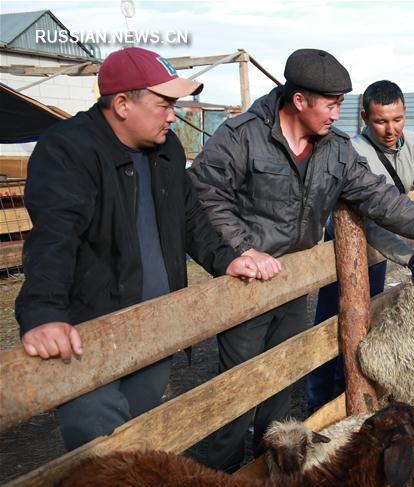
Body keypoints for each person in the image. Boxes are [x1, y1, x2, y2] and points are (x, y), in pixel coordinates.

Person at [188, 49, 414, 471]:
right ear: (300, 101)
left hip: (294, 284)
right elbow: (204, 192)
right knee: (238, 392)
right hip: (245, 284)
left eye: (340, 104)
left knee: (281, 385)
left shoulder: (334, 149)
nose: (337, 113)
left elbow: (376, 195)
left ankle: (268, 477)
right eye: (331, 104)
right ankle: (219, 484)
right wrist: (241, 247)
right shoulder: (242, 136)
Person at [14, 47, 263, 451]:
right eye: (163, 104)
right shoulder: (68, 150)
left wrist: (230, 258)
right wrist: (43, 313)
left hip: (155, 324)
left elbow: (191, 218)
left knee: (138, 435)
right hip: (90, 332)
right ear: (123, 104)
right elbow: (54, 237)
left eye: (173, 104)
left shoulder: (165, 150)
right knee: (104, 448)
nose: (172, 115)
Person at [305, 79, 414, 412]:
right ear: (364, 117)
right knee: (332, 322)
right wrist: (410, 257)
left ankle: (355, 391)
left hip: (377, 252)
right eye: (380, 121)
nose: (391, 129)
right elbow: (368, 224)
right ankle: (319, 402)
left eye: (397, 119)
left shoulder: (413, 143)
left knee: (367, 320)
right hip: (346, 246)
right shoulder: (354, 153)